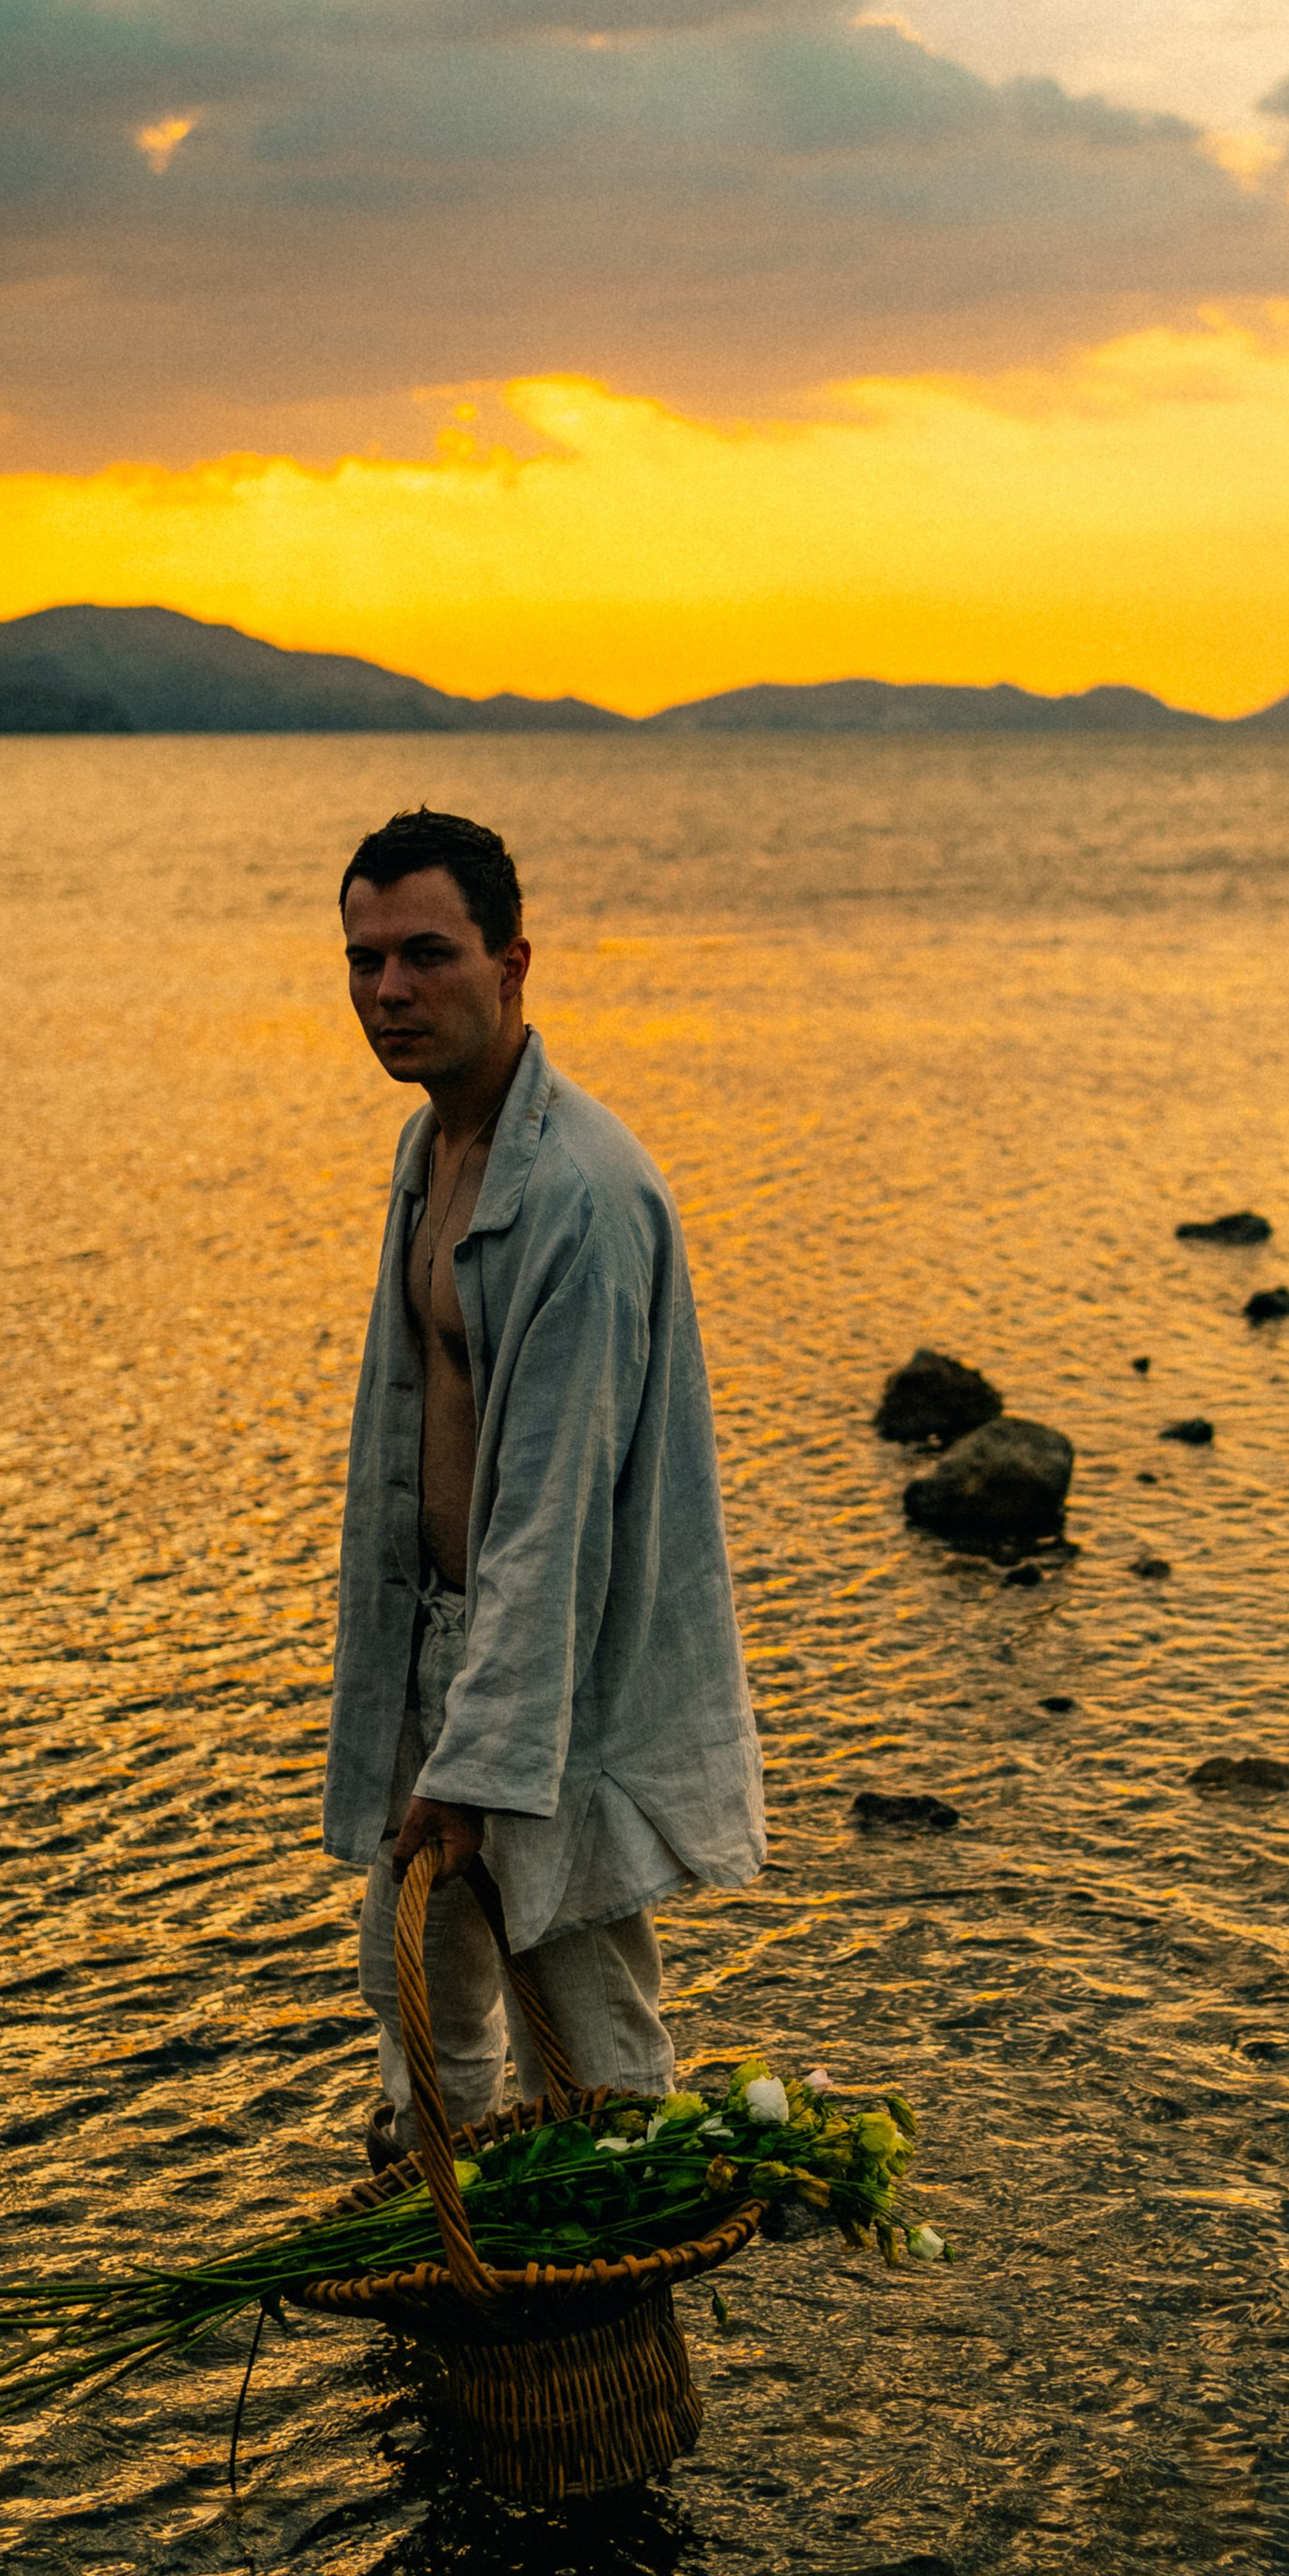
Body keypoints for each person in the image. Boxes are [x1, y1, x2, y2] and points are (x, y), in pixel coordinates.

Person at [323, 806, 763, 2159]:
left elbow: (556, 1521)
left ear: (515, 965)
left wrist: (480, 1764)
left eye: (428, 955)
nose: (389, 991)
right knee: (423, 2014)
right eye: (364, 958)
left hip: (553, 1664)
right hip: (439, 1646)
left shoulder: (581, 1191)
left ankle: (610, 2344)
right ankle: (460, 2321)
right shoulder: (430, 1153)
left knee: (589, 2031)